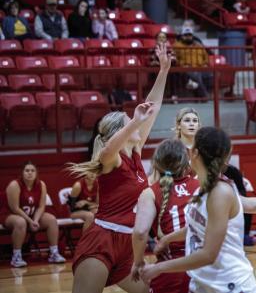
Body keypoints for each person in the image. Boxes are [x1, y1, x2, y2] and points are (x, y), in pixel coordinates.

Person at [139, 127, 256, 292]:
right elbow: (200, 226)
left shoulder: (220, 193)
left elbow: (209, 254)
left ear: (194, 153)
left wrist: (159, 268)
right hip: (203, 283)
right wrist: (167, 239)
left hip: (230, 285)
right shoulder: (201, 187)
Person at [67, 43, 171, 293]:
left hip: (127, 245)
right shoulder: (112, 159)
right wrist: (134, 122)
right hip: (101, 240)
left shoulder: (134, 153)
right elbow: (106, 151)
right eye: (130, 124)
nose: (138, 126)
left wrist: (164, 70)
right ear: (120, 131)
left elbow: (152, 108)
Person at [132, 139, 199, 293]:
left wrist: (138, 262)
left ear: (155, 164)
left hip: (171, 268)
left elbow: (140, 232)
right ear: (186, 162)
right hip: (204, 266)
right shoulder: (202, 185)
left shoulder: (150, 192)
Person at [1, 162, 66, 267]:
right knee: (20, 222)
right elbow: (15, 208)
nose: (29, 173)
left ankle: (54, 253)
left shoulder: (41, 184)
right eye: (27, 170)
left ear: (36, 173)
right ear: (22, 173)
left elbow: (41, 206)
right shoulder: (15, 185)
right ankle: (16, 257)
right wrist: (30, 221)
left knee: (52, 220)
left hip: (32, 215)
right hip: (10, 215)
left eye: (32, 170)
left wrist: (35, 220)